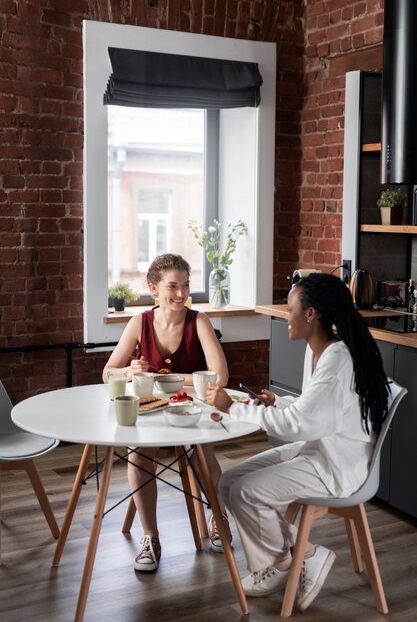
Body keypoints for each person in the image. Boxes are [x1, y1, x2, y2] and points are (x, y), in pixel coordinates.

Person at [206, 273, 390, 611]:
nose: (284, 314)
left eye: (290, 308)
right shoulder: (319, 350)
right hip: (320, 448)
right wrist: (278, 403)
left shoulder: (336, 360)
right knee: (229, 482)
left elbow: (300, 425)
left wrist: (232, 408)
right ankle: (285, 561)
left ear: (311, 315)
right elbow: (314, 410)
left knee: (246, 492)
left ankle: (304, 555)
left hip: (338, 465)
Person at [103, 254, 231, 573]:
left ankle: (218, 515)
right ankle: (151, 537)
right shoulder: (139, 322)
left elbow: (221, 376)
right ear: (153, 289)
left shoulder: (198, 320)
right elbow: (108, 373)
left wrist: (162, 378)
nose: (180, 294)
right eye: (172, 286)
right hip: (151, 411)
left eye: (186, 286)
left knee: (202, 451)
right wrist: (129, 371)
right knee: (138, 456)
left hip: (192, 410)